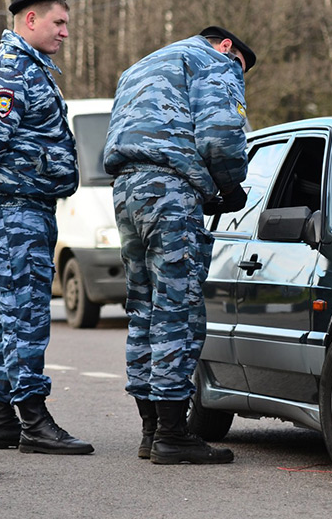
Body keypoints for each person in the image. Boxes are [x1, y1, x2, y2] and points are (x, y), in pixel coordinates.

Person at [0, 0, 93, 454]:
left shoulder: (30, 68)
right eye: (58, 22)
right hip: (15, 211)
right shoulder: (9, 69)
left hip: (25, 208)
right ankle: (33, 419)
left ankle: (0, 420)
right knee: (26, 316)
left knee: (9, 315)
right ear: (30, 20)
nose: (65, 32)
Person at [103, 26, 255, 464]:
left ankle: (151, 429)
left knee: (143, 307)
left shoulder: (138, 69)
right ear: (227, 46)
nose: (238, 74)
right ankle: (174, 433)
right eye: (241, 67)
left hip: (126, 190)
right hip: (171, 190)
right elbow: (221, 133)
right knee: (178, 308)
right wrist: (229, 185)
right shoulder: (214, 60)